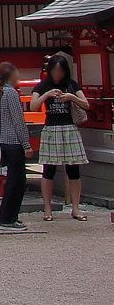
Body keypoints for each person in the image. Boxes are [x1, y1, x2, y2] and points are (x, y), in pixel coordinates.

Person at [30, 52, 91, 220]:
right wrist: (47, 95)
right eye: (55, 71)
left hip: (69, 128)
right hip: (51, 129)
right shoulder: (42, 86)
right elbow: (33, 106)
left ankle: (76, 208)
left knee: (74, 169)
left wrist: (71, 97)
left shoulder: (72, 85)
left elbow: (86, 104)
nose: (57, 74)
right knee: (48, 170)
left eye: (61, 71)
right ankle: (47, 208)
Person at [0, 62, 32, 231]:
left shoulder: (2, 93)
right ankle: (9, 218)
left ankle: (8, 217)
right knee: (17, 181)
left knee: (13, 180)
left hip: (4, 141)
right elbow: (18, 121)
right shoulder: (11, 94)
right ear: (12, 75)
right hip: (14, 142)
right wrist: (26, 144)